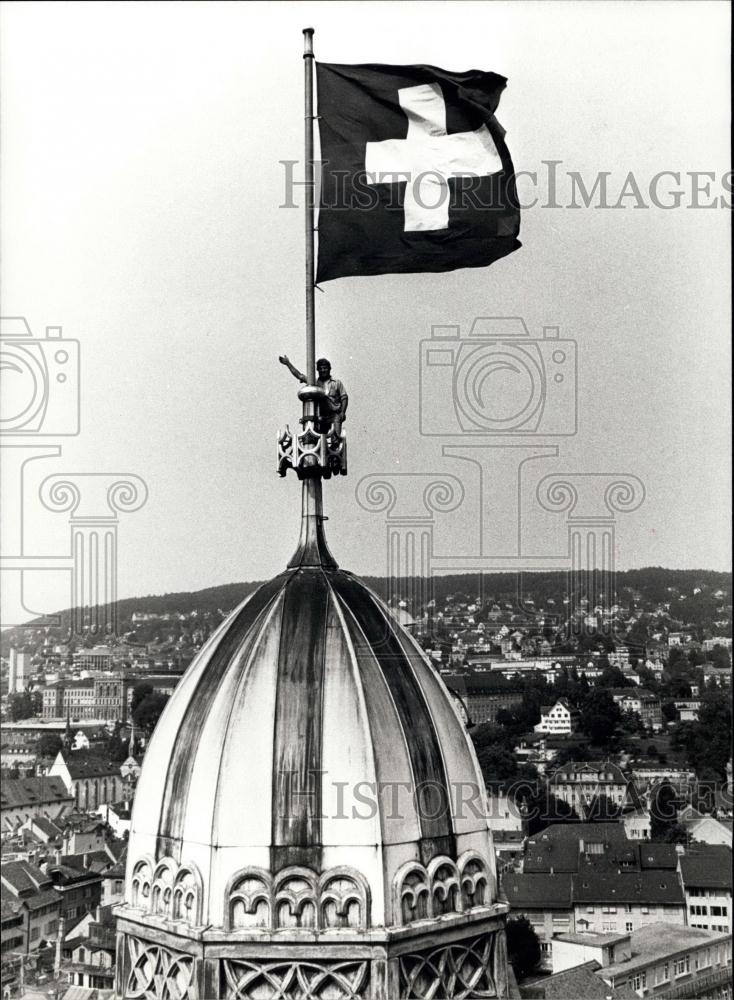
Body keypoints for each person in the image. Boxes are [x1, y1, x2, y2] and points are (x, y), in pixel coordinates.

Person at [279, 355, 348, 435]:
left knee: (336, 439)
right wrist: (288, 363)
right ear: (318, 370)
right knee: (318, 439)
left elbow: (344, 397)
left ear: (329, 368)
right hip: (320, 416)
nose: (323, 370)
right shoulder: (314, 383)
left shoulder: (336, 383)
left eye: (325, 368)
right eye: (321, 368)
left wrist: (343, 412)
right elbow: (299, 375)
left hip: (334, 415)